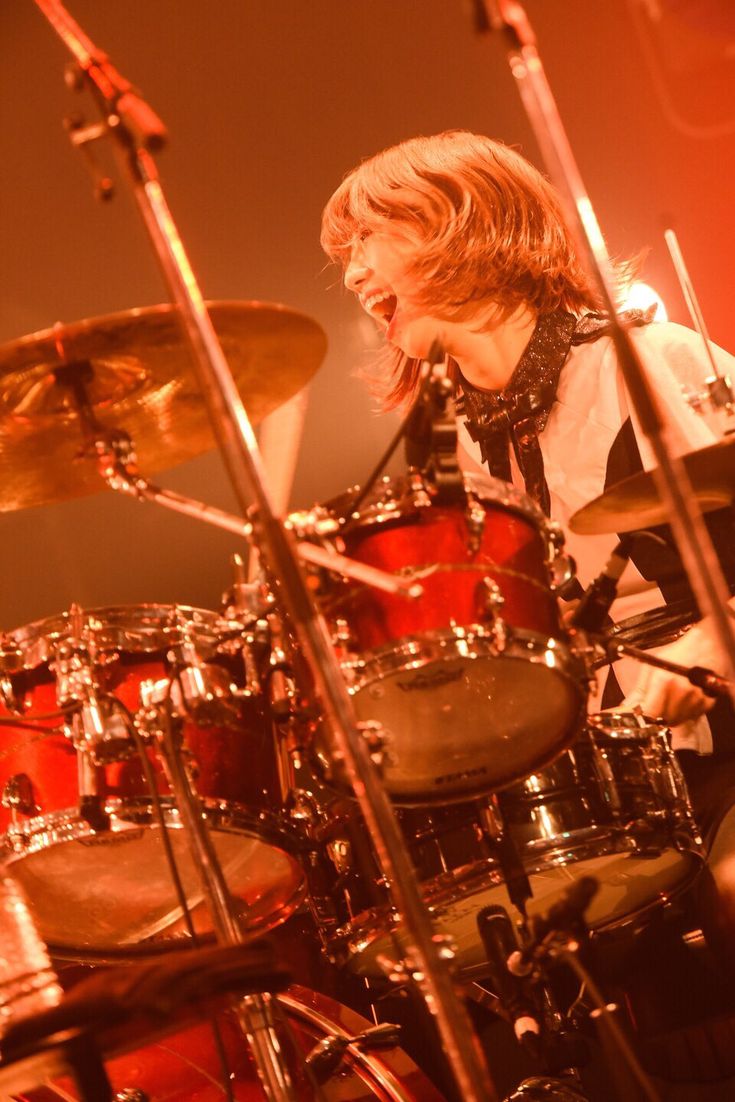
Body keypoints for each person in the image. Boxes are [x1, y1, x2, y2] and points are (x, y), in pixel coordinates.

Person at [320, 130, 735, 960]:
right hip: (618, 778)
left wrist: (714, 640)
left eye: (369, 238)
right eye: (343, 257)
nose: (354, 271)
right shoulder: (441, 444)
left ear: (460, 224)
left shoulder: (644, 364)